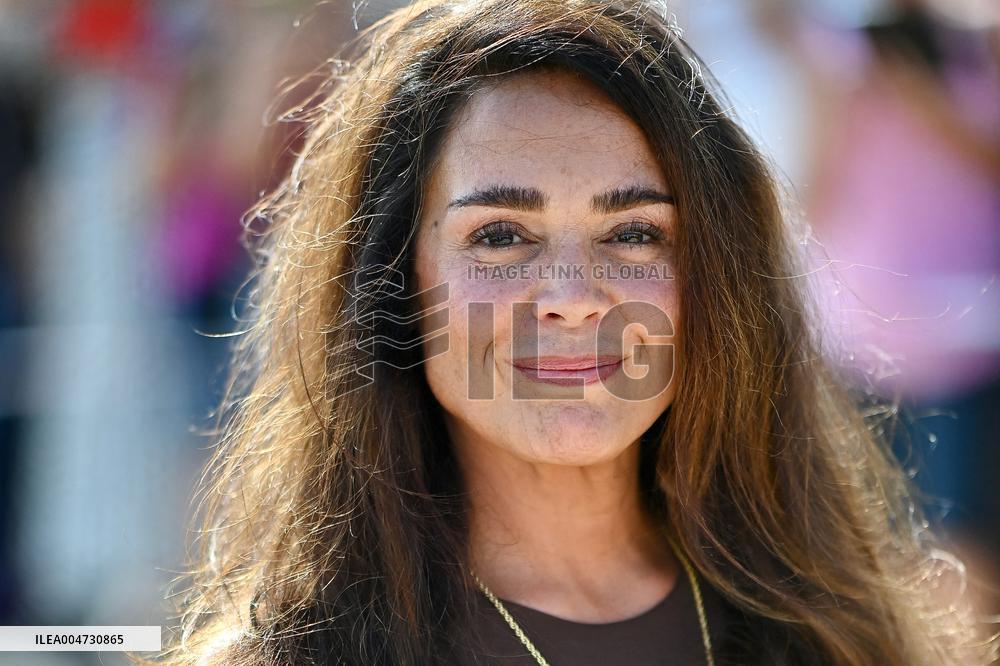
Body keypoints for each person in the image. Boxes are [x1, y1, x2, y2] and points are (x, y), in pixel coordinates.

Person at [143, 1, 996, 664]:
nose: (573, 298)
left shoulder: (840, 630)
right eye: (500, 237)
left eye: (634, 235)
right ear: (392, 282)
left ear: (712, 286)